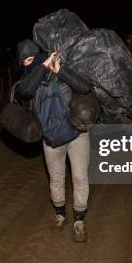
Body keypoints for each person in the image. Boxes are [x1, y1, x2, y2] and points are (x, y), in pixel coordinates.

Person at [16, 39, 92, 243]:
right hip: (50, 139)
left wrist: (61, 71)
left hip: (77, 134)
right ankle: (60, 214)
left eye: (31, 59)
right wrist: (41, 67)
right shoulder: (27, 81)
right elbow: (26, 91)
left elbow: (84, 88)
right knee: (56, 178)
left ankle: (79, 220)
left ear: (40, 56)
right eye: (23, 62)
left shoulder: (61, 70)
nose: (27, 64)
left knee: (79, 177)